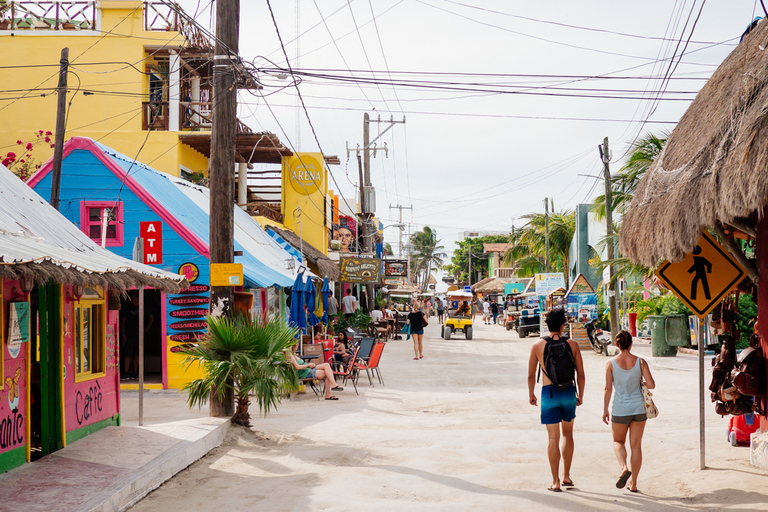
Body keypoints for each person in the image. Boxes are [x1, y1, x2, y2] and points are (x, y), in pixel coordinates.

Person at [527, 308, 586, 492]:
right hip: (568, 391)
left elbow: (530, 375)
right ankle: (567, 476)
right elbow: (581, 374)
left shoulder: (537, 346)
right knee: (568, 434)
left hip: (549, 393)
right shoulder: (573, 344)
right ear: (563, 325)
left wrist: (531, 394)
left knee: (553, 438)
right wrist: (580, 395)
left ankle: (555, 481)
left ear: (547, 325)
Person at [602, 331, 655, 493]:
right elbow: (651, 385)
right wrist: (641, 381)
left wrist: (605, 409)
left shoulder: (610, 364)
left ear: (617, 345)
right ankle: (633, 483)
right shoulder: (640, 362)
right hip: (639, 408)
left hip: (620, 409)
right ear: (631, 344)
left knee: (618, 442)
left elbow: (608, 389)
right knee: (636, 446)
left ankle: (624, 467)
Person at [121, 291, 154, 380]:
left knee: (137, 354)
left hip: (139, 334)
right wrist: (123, 334)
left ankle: (135, 372)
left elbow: (151, 317)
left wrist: (147, 327)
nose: (133, 299)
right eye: (132, 298)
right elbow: (123, 322)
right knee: (128, 354)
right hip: (129, 334)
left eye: (134, 298)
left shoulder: (143, 307)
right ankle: (126, 372)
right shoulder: (127, 308)